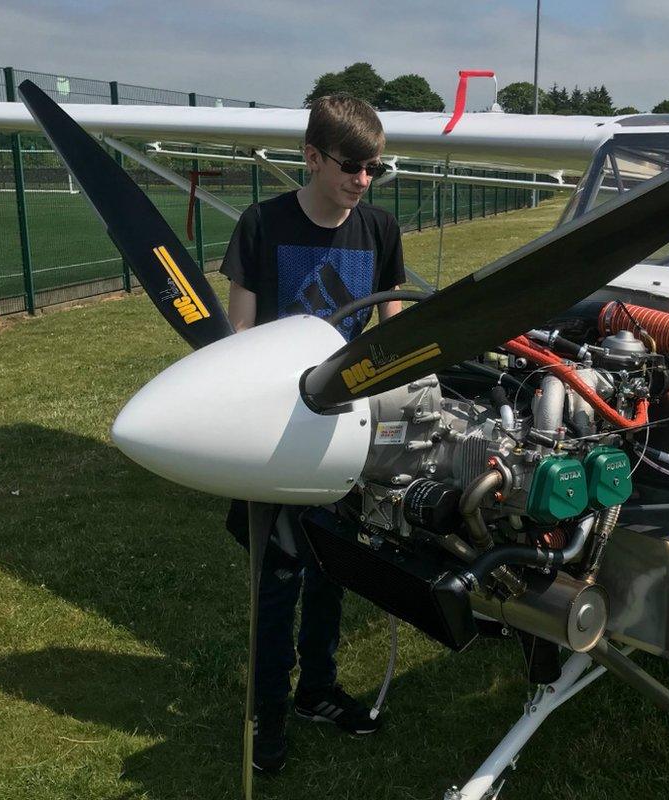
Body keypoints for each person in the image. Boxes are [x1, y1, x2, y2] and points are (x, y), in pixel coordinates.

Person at [219, 93, 405, 773]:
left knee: (335, 569)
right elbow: (237, 335)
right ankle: (267, 716)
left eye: (375, 170)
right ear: (312, 157)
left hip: (346, 438)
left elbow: (387, 334)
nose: (363, 180)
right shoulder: (261, 224)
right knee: (278, 581)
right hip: (277, 438)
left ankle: (317, 690)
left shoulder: (380, 230)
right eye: (352, 167)